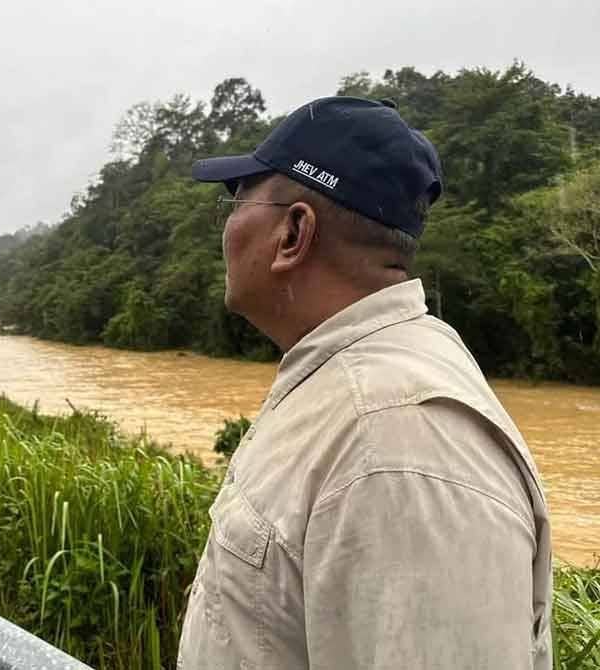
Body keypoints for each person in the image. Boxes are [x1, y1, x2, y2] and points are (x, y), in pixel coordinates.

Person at [177, 96, 552, 669]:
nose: (226, 225)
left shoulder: (398, 444)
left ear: (293, 232)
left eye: (236, 200)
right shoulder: (350, 392)